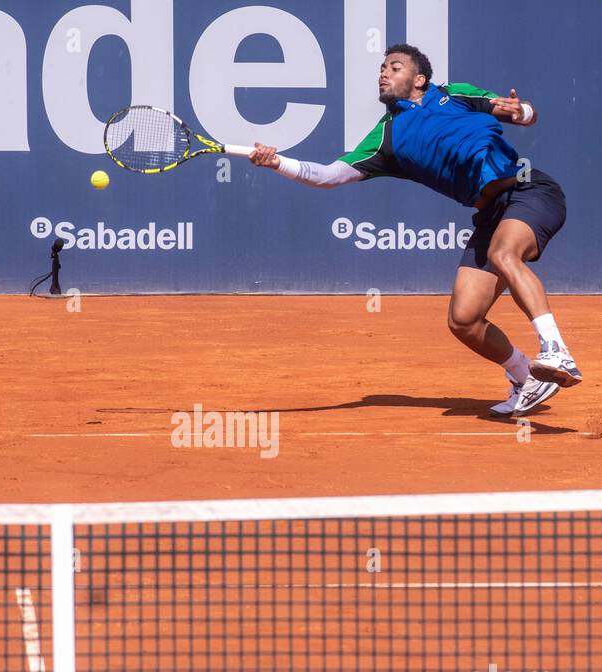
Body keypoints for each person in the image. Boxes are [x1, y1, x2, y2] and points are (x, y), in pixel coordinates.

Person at [249, 43, 581, 416]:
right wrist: (277, 162)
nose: (384, 73)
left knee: (503, 254)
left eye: (394, 67)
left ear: (420, 79)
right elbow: (328, 176)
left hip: (527, 189)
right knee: (464, 320)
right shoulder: (385, 138)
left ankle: (557, 350)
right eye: (382, 68)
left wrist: (521, 110)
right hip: (490, 215)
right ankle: (527, 377)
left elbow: (524, 114)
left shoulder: (454, 94)